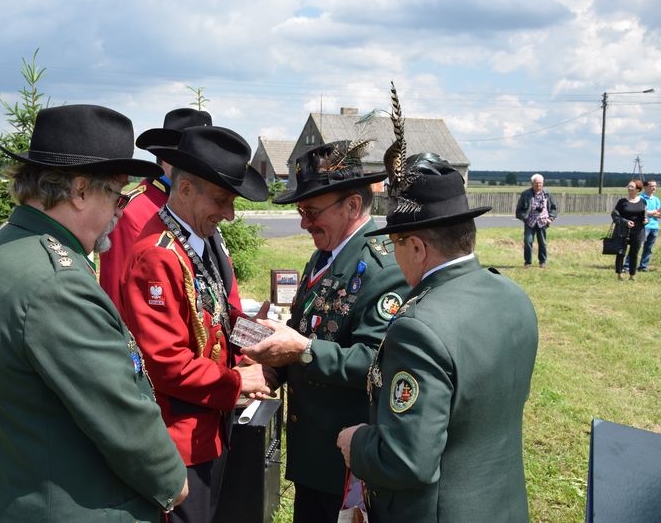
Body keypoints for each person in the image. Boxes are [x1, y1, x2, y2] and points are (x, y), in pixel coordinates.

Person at [0, 105, 188, 522]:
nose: (121, 210)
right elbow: (118, 410)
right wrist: (172, 480)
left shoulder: (5, 250)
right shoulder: (57, 281)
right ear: (80, 190)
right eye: (116, 194)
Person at [336, 153, 538, 523]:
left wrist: (356, 442)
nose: (395, 259)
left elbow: (407, 459)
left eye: (396, 245)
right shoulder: (513, 296)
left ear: (416, 246)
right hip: (502, 505)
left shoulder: (417, 328)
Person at [242, 141, 410, 523]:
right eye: (302, 211)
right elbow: (308, 332)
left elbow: (375, 363)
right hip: (314, 455)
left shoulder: (384, 269)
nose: (304, 223)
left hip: (348, 464)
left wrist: (300, 349)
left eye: (312, 211)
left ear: (352, 206)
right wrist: (271, 363)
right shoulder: (324, 256)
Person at [119, 125, 272, 523]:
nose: (230, 214)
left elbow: (217, 315)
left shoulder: (197, 240)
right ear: (184, 190)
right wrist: (240, 383)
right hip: (179, 440)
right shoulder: (157, 256)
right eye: (221, 200)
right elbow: (165, 363)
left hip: (207, 429)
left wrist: (262, 338)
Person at [99, 108, 216, 304]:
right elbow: (117, 295)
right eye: (195, 160)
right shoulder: (133, 212)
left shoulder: (202, 205)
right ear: (169, 158)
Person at [515, 173, 558, 268]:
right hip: (530, 222)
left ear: (543, 183)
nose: (538, 185)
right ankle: (527, 262)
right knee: (528, 241)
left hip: (543, 222)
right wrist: (524, 218)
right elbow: (518, 210)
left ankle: (542, 262)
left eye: (540, 183)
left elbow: (554, 208)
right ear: (532, 183)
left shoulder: (547, 194)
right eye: (536, 183)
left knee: (542, 243)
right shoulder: (525, 194)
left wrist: (550, 218)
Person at [612, 179, 647, 280]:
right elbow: (615, 215)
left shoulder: (643, 201)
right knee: (621, 253)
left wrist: (646, 220)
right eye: (628, 186)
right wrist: (625, 222)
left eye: (632, 186)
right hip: (623, 230)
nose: (629, 188)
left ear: (638, 189)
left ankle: (632, 275)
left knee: (634, 254)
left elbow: (644, 216)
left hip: (638, 231)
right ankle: (619, 274)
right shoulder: (622, 202)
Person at [639, 179, 660, 271]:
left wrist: (651, 213)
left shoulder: (656, 199)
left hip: (654, 226)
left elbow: (659, 213)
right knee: (637, 246)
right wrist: (653, 212)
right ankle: (627, 265)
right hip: (644, 226)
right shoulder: (641, 198)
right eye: (652, 186)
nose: (654, 187)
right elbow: (642, 212)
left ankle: (643, 267)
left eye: (655, 186)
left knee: (649, 248)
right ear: (645, 187)